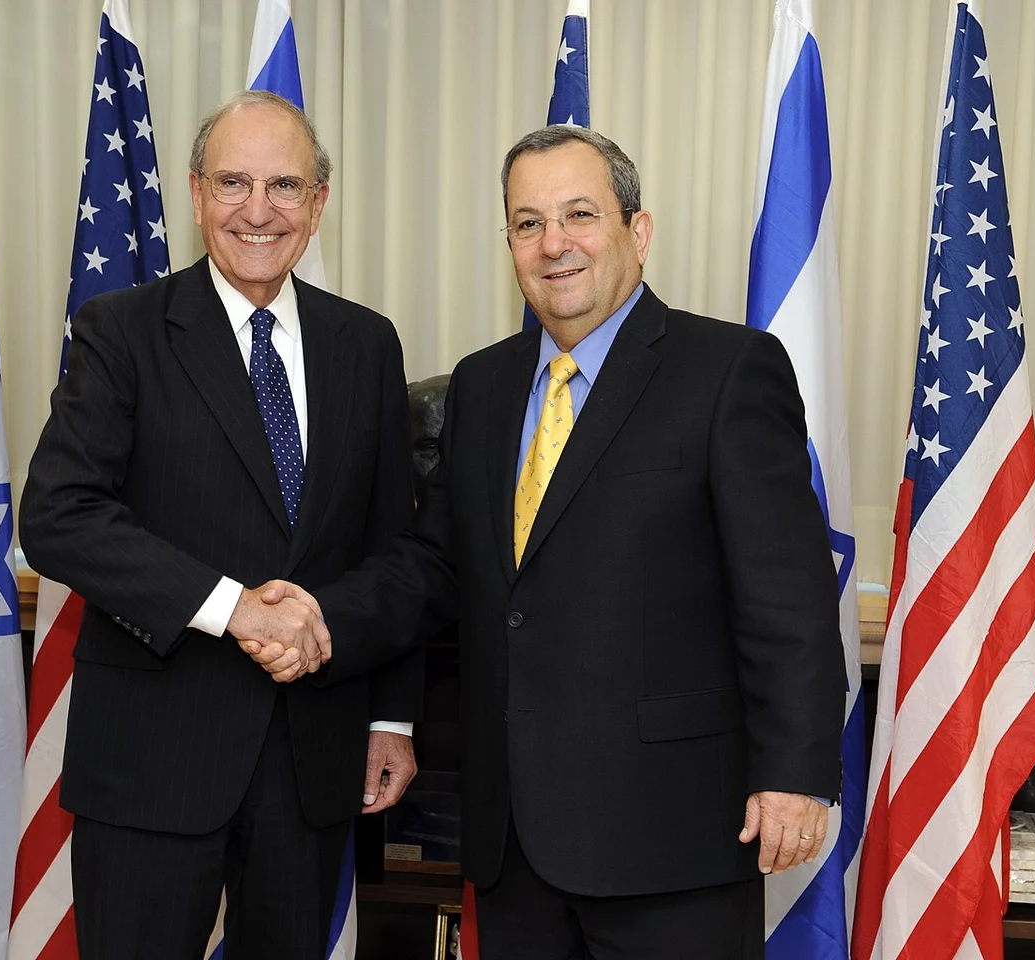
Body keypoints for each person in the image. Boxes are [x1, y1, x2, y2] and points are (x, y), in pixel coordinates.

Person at [253, 125, 846, 959]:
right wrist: (321, 614)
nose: (554, 243)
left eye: (579, 214)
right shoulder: (483, 385)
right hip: (514, 842)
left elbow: (787, 595)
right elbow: (437, 565)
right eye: (528, 223)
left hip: (671, 836)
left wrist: (793, 773)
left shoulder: (728, 370)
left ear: (638, 230)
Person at [19, 90, 421, 960]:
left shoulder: (366, 344)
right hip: (153, 760)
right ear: (197, 193)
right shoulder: (122, 331)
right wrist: (234, 608)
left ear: (319, 202)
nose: (258, 210)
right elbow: (57, 515)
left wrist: (390, 718)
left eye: (285, 186)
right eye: (234, 182)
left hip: (313, 756)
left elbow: (397, 548)